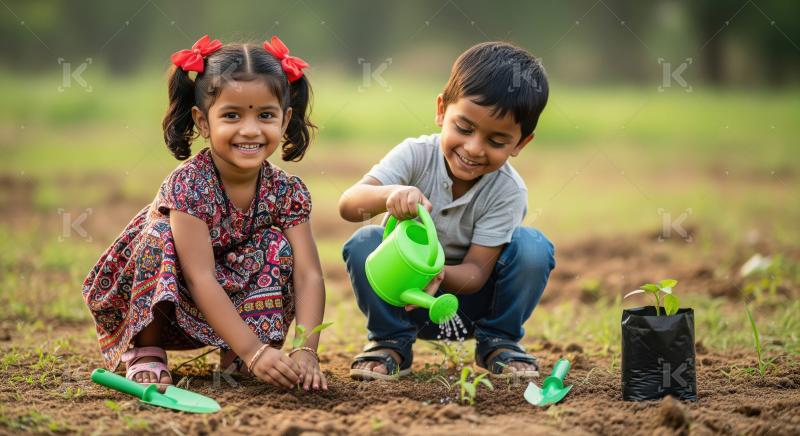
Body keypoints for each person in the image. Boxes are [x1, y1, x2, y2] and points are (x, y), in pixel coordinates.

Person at [83, 35, 328, 391]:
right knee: (158, 235)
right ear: (202, 122)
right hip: (172, 306)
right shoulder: (189, 186)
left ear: (285, 119)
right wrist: (254, 351)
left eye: (265, 115)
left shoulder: (287, 191)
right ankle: (147, 350)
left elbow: (309, 276)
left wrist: (306, 350)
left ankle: (239, 354)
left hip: (233, 307)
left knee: (277, 243)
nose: (250, 129)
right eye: (231, 115)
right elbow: (201, 277)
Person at [340, 41, 554, 381]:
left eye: (496, 141)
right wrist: (390, 194)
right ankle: (390, 342)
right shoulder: (415, 155)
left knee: (533, 247)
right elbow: (349, 204)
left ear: (520, 143)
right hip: (402, 298)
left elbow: (475, 272)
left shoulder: (507, 191)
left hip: (466, 306)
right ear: (442, 109)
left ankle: (498, 342)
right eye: (464, 128)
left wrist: (436, 275)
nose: (473, 148)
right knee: (364, 240)